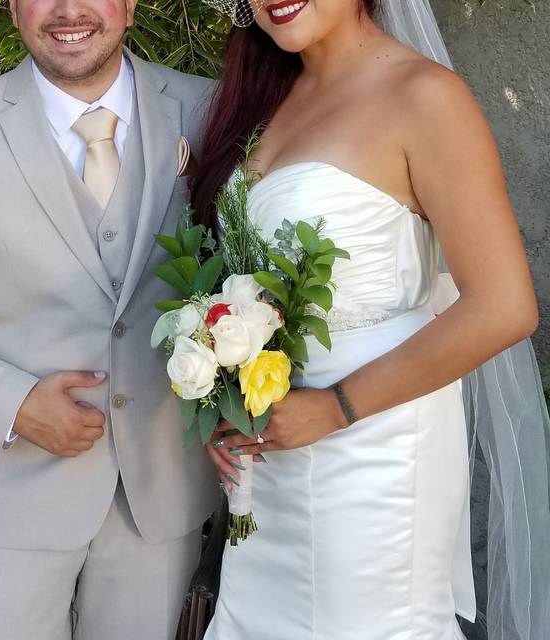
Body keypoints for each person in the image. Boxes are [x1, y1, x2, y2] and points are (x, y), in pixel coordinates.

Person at [191, 0, 542, 638]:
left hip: (376, 450)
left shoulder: (425, 96)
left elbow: (505, 305)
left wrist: (336, 407)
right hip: (272, 460)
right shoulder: (266, 98)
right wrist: (228, 401)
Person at [0, 0, 217, 637]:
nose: (68, 11)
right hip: (14, 501)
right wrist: (12, 402)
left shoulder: (209, 108)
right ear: (11, 7)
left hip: (161, 497)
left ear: (132, 5)